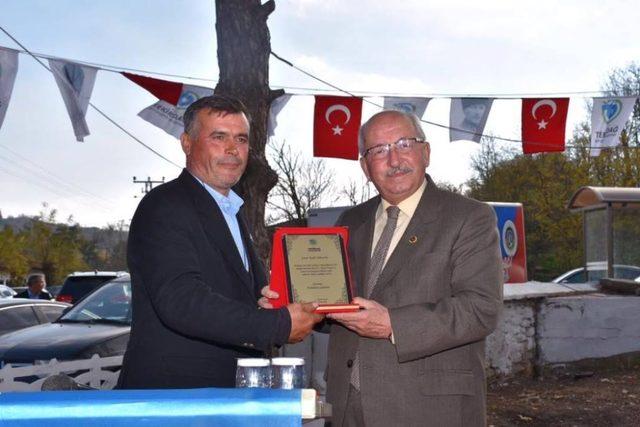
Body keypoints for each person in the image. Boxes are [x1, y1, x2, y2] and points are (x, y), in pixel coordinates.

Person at [286, 110, 502, 426]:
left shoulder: (470, 217)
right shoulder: (350, 222)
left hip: (428, 409)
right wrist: (297, 303)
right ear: (365, 167)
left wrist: (392, 325)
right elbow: (340, 308)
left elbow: (481, 309)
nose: (394, 158)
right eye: (379, 150)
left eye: (404, 143)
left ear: (426, 152)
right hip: (348, 405)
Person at [117, 95, 323, 390]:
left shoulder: (231, 211)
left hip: (226, 395)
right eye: (218, 137)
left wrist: (263, 303)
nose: (232, 149)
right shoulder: (164, 206)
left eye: (240, 138)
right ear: (187, 143)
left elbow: (226, 294)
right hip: (176, 400)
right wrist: (275, 324)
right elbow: (181, 300)